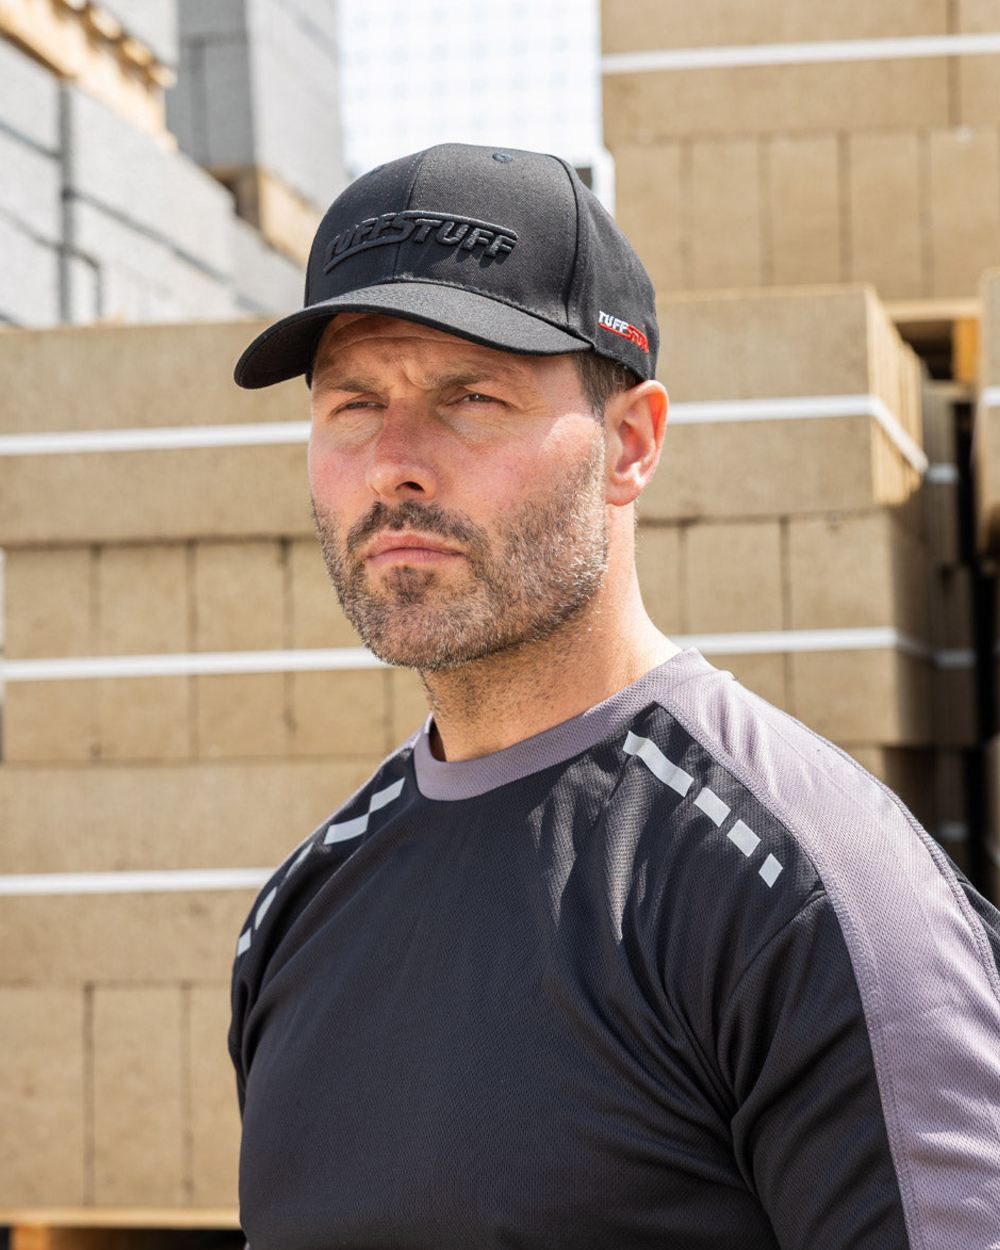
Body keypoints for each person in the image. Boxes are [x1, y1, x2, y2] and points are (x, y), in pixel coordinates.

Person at [228, 143, 1000, 1249]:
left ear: (630, 444)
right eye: (353, 404)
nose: (394, 460)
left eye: (470, 398)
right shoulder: (299, 910)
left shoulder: (807, 896)